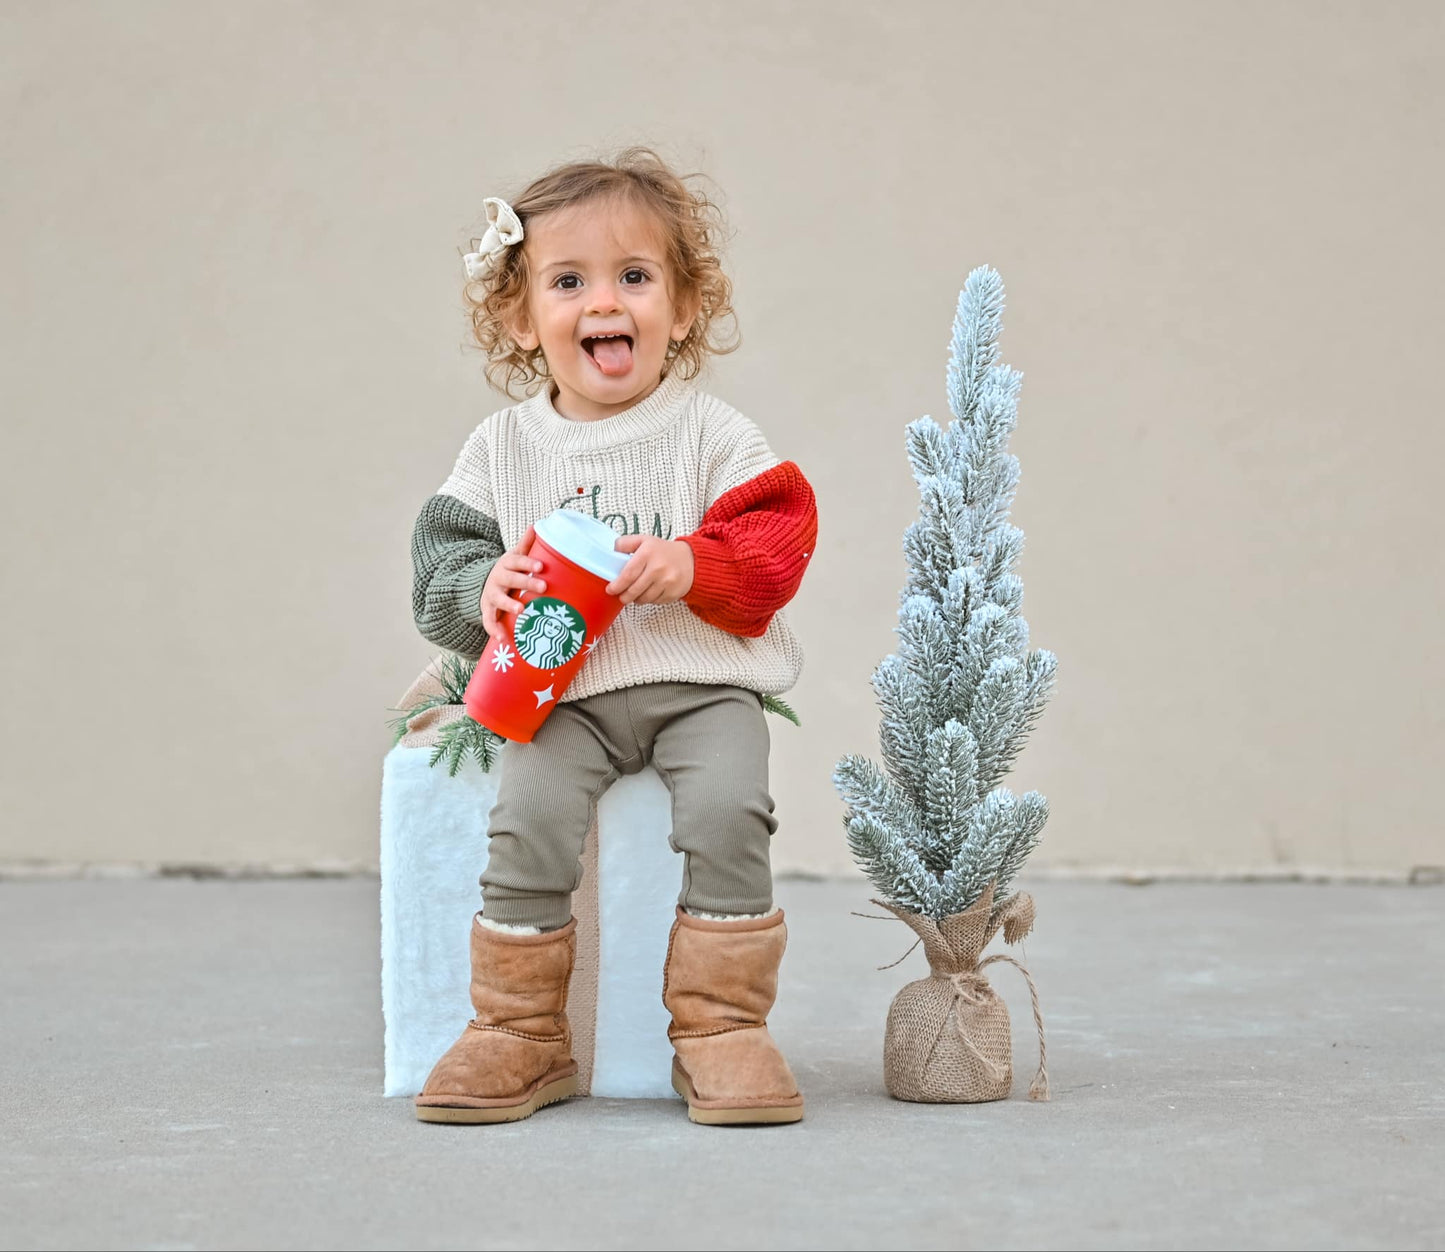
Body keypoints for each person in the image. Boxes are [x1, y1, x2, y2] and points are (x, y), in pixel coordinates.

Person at [408, 147, 818, 1126]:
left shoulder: (712, 434)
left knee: (728, 809)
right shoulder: (501, 448)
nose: (605, 301)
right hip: (564, 699)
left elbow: (775, 542)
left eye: (634, 277)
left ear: (681, 308)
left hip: (700, 685)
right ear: (520, 317)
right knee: (527, 821)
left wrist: (694, 564)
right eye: (568, 280)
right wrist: (485, 584)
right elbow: (437, 570)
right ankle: (518, 1030)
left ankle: (722, 1028)